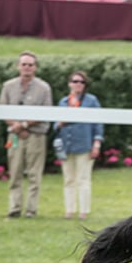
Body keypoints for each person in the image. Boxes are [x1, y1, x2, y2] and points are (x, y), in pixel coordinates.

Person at [0, 51, 53, 219]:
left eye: (30, 65)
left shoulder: (43, 88)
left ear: (35, 68)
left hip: (35, 136)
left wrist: (24, 125)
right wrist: (15, 126)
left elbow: (46, 112)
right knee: (14, 173)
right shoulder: (8, 86)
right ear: (18, 66)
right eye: (24, 64)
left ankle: (31, 210)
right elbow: (2, 110)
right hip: (14, 136)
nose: (27, 67)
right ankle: (14, 208)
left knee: (34, 174)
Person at [53, 71, 103, 220]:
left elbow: (98, 124)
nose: (78, 84)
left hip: (84, 145)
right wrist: (60, 123)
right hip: (66, 145)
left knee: (83, 179)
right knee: (68, 179)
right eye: (75, 81)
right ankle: (69, 210)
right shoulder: (63, 102)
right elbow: (55, 125)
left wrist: (97, 144)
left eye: (81, 82)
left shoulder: (91, 101)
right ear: (70, 84)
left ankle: (83, 211)